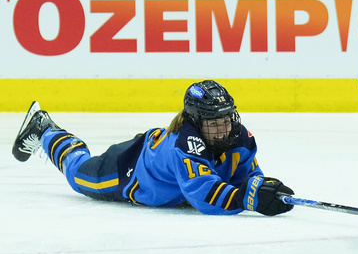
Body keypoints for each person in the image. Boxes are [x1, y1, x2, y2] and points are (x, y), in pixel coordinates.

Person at [11, 81, 295, 218]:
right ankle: (45, 130)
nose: (222, 129)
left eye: (225, 120)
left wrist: (262, 187)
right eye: (212, 123)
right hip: (131, 169)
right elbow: (203, 195)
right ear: (195, 122)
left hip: (164, 172)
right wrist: (248, 198)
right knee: (79, 175)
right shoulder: (186, 143)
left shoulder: (239, 135)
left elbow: (247, 176)